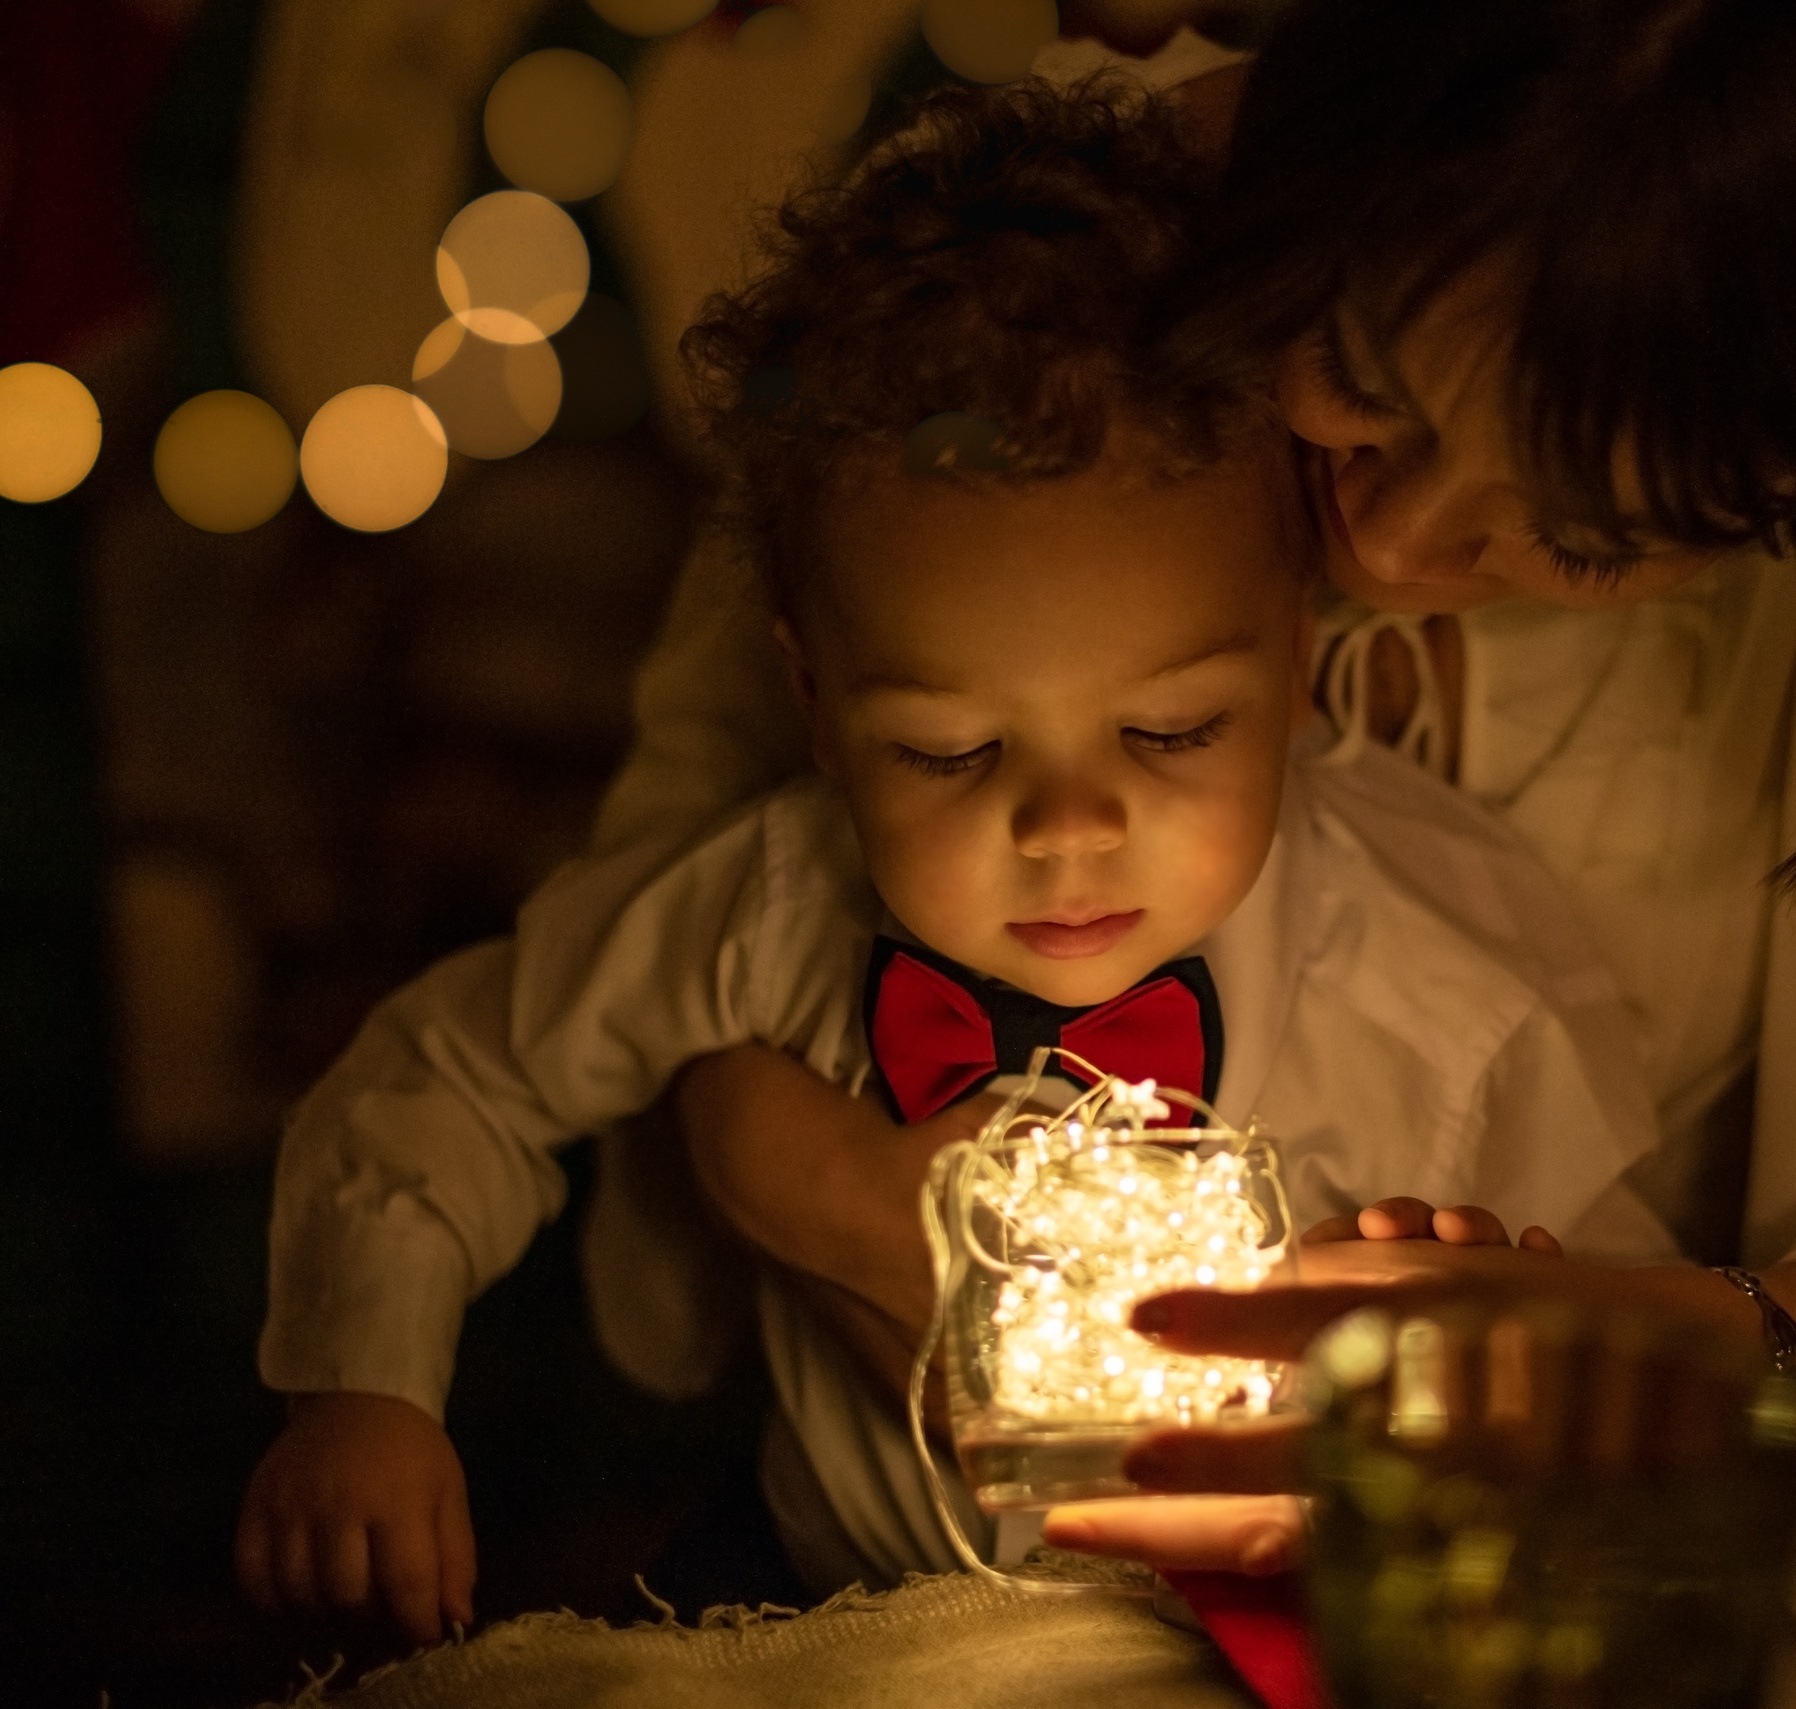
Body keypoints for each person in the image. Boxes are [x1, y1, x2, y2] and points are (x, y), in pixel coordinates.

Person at [635, 0, 1796, 1578]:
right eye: (1355, 375)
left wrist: (1681, 1335)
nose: (1391, 551)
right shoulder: (992, 263)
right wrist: (813, 1180)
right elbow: (648, 902)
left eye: (1592, 539)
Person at [235, 78, 1682, 1646]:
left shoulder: (1439, 985)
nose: (1069, 827)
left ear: (1302, 655)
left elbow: (1647, 1370)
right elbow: (456, 1070)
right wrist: (362, 1388)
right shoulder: (764, 905)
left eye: (1179, 729)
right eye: (948, 749)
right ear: (814, 695)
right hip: (821, 1586)